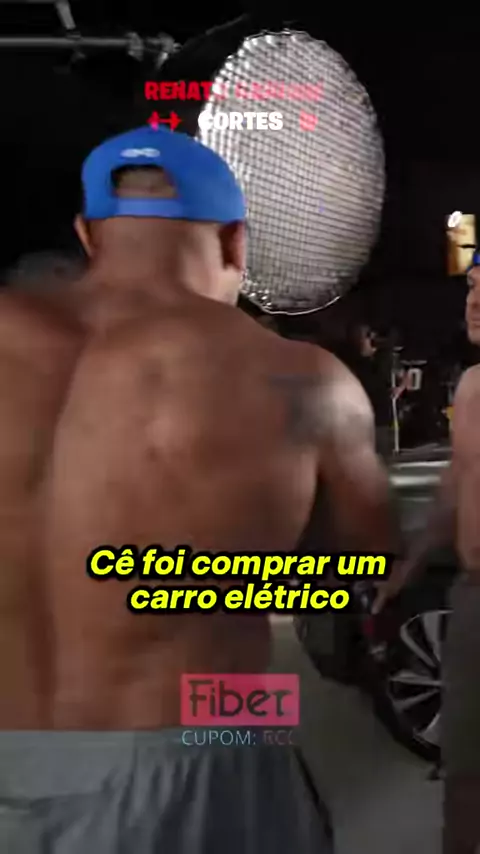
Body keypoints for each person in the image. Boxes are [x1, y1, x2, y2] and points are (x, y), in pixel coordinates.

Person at [0, 125, 397, 853]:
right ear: (235, 241)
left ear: (88, 233)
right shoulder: (296, 376)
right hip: (202, 734)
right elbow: (370, 567)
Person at [374, 251, 480, 853]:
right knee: (465, 774)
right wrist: (407, 568)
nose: (475, 302)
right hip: (473, 599)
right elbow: (454, 489)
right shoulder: (472, 388)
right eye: (472, 286)